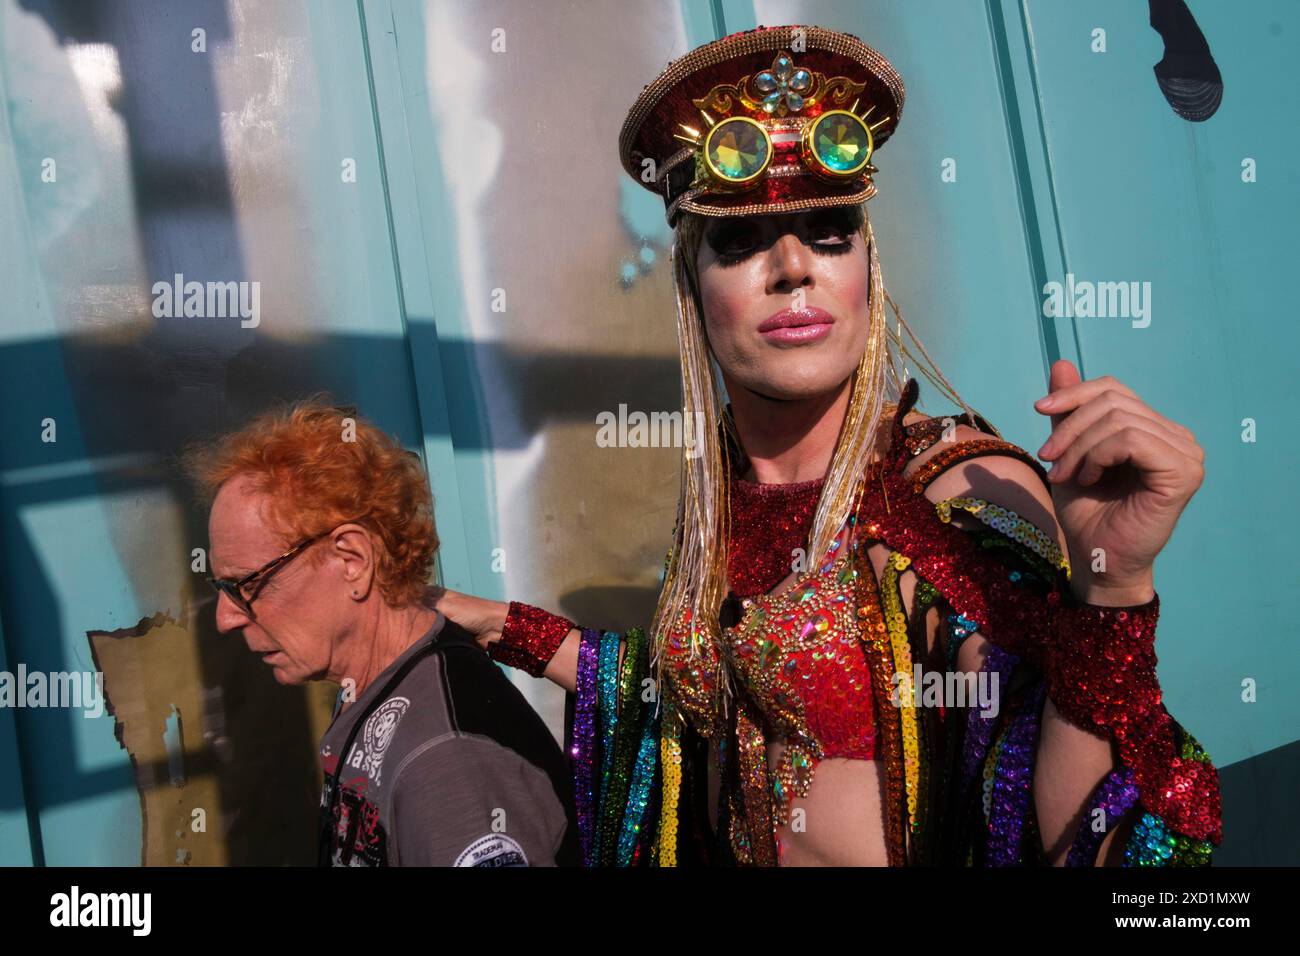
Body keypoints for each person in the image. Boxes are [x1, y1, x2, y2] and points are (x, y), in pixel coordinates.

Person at [437, 24, 1220, 866]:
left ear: (866, 269)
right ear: (693, 290)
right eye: (739, 240)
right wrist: (502, 626)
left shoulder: (952, 496)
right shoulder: (724, 499)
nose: (792, 265)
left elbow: (1071, 837)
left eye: (829, 230)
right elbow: (695, 710)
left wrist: (1113, 595)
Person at [185, 398, 578, 866]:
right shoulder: (379, 679)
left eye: (244, 584)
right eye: (219, 587)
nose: (225, 618)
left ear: (352, 561)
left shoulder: (449, 768)